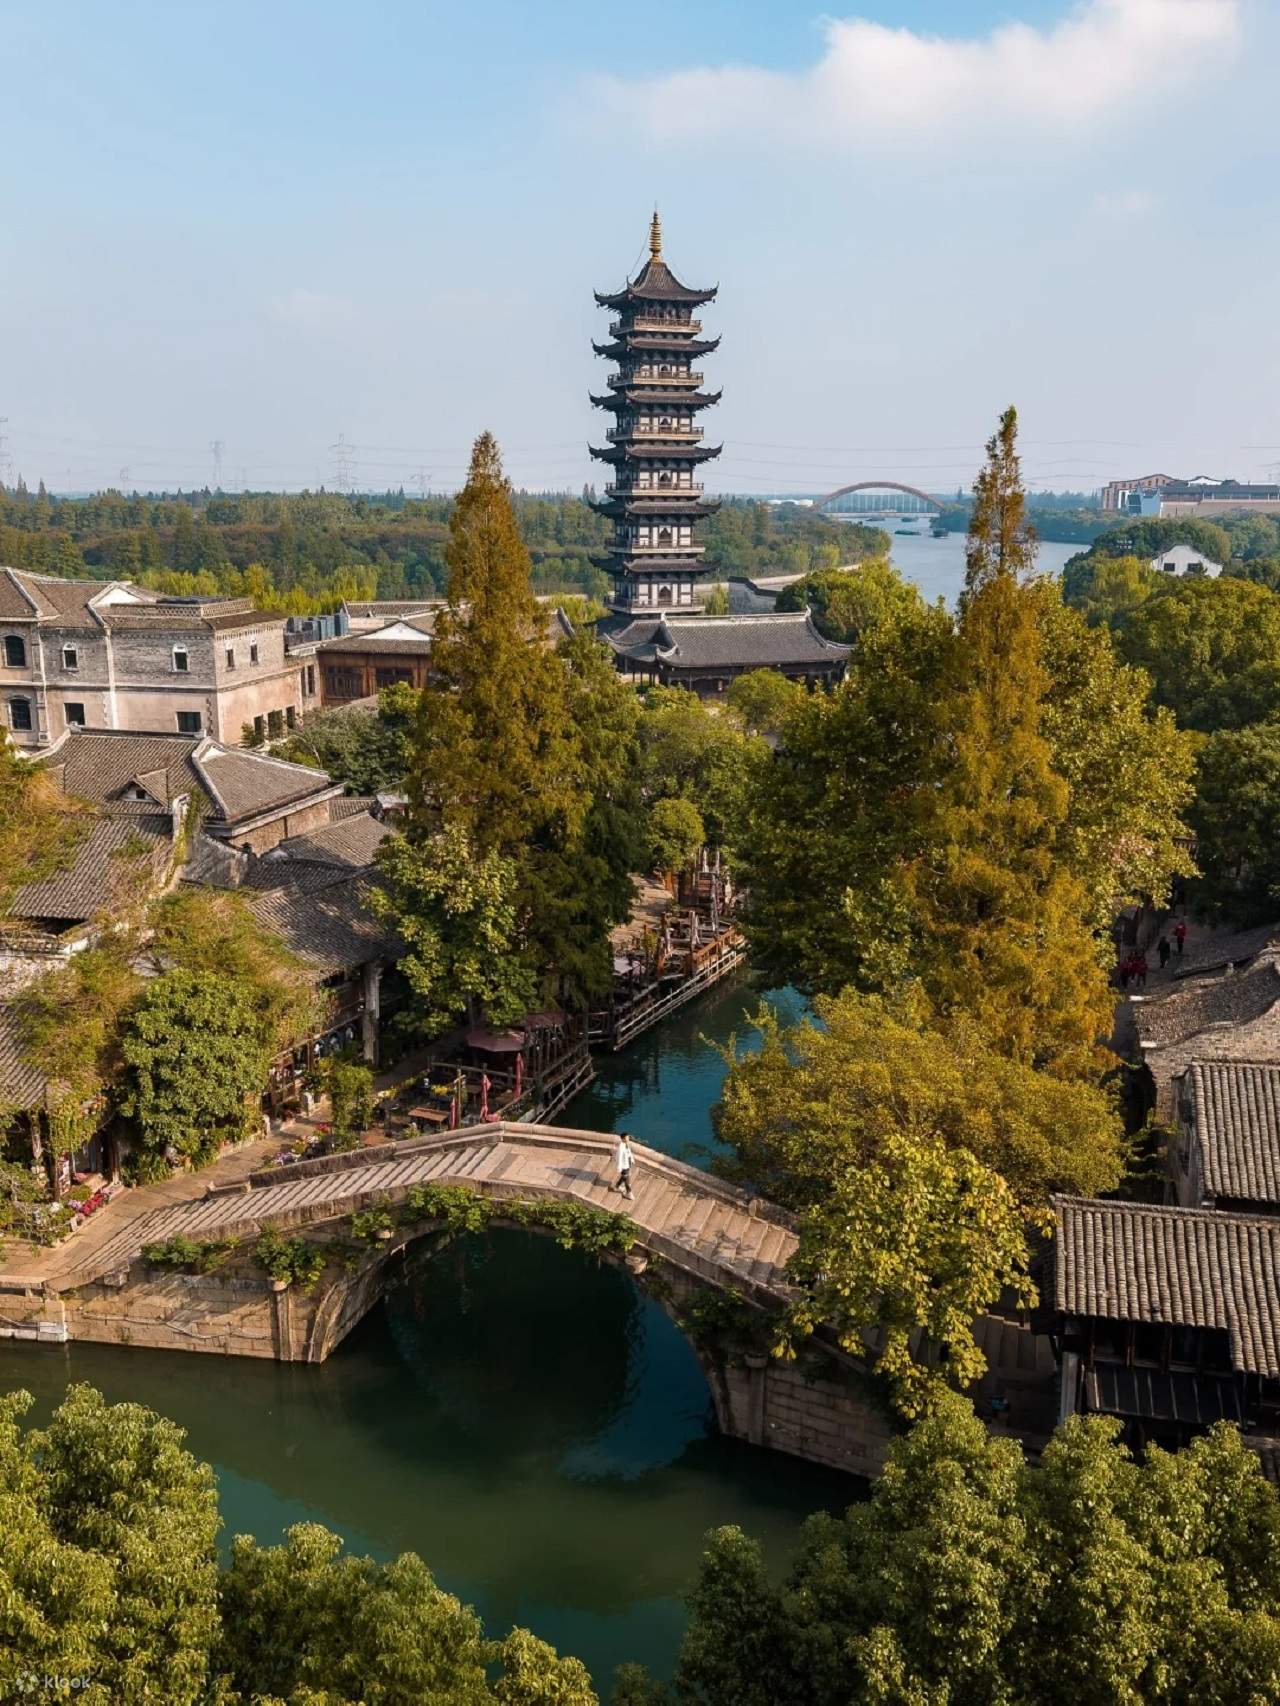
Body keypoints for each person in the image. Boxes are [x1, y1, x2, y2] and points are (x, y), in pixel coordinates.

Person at [614, 1132, 635, 1200]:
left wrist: (632, 1159)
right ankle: (629, 1193)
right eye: (626, 1138)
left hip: (628, 1164)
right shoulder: (621, 1147)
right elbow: (619, 1157)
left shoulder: (626, 1144)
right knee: (627, 1180)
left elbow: (629, 1153)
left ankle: (617, 1187)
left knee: (624, 1177)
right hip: (624, 1166)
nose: (628, 1138)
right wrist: (619, 1167)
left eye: (628, 1137)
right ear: (622, 1139)